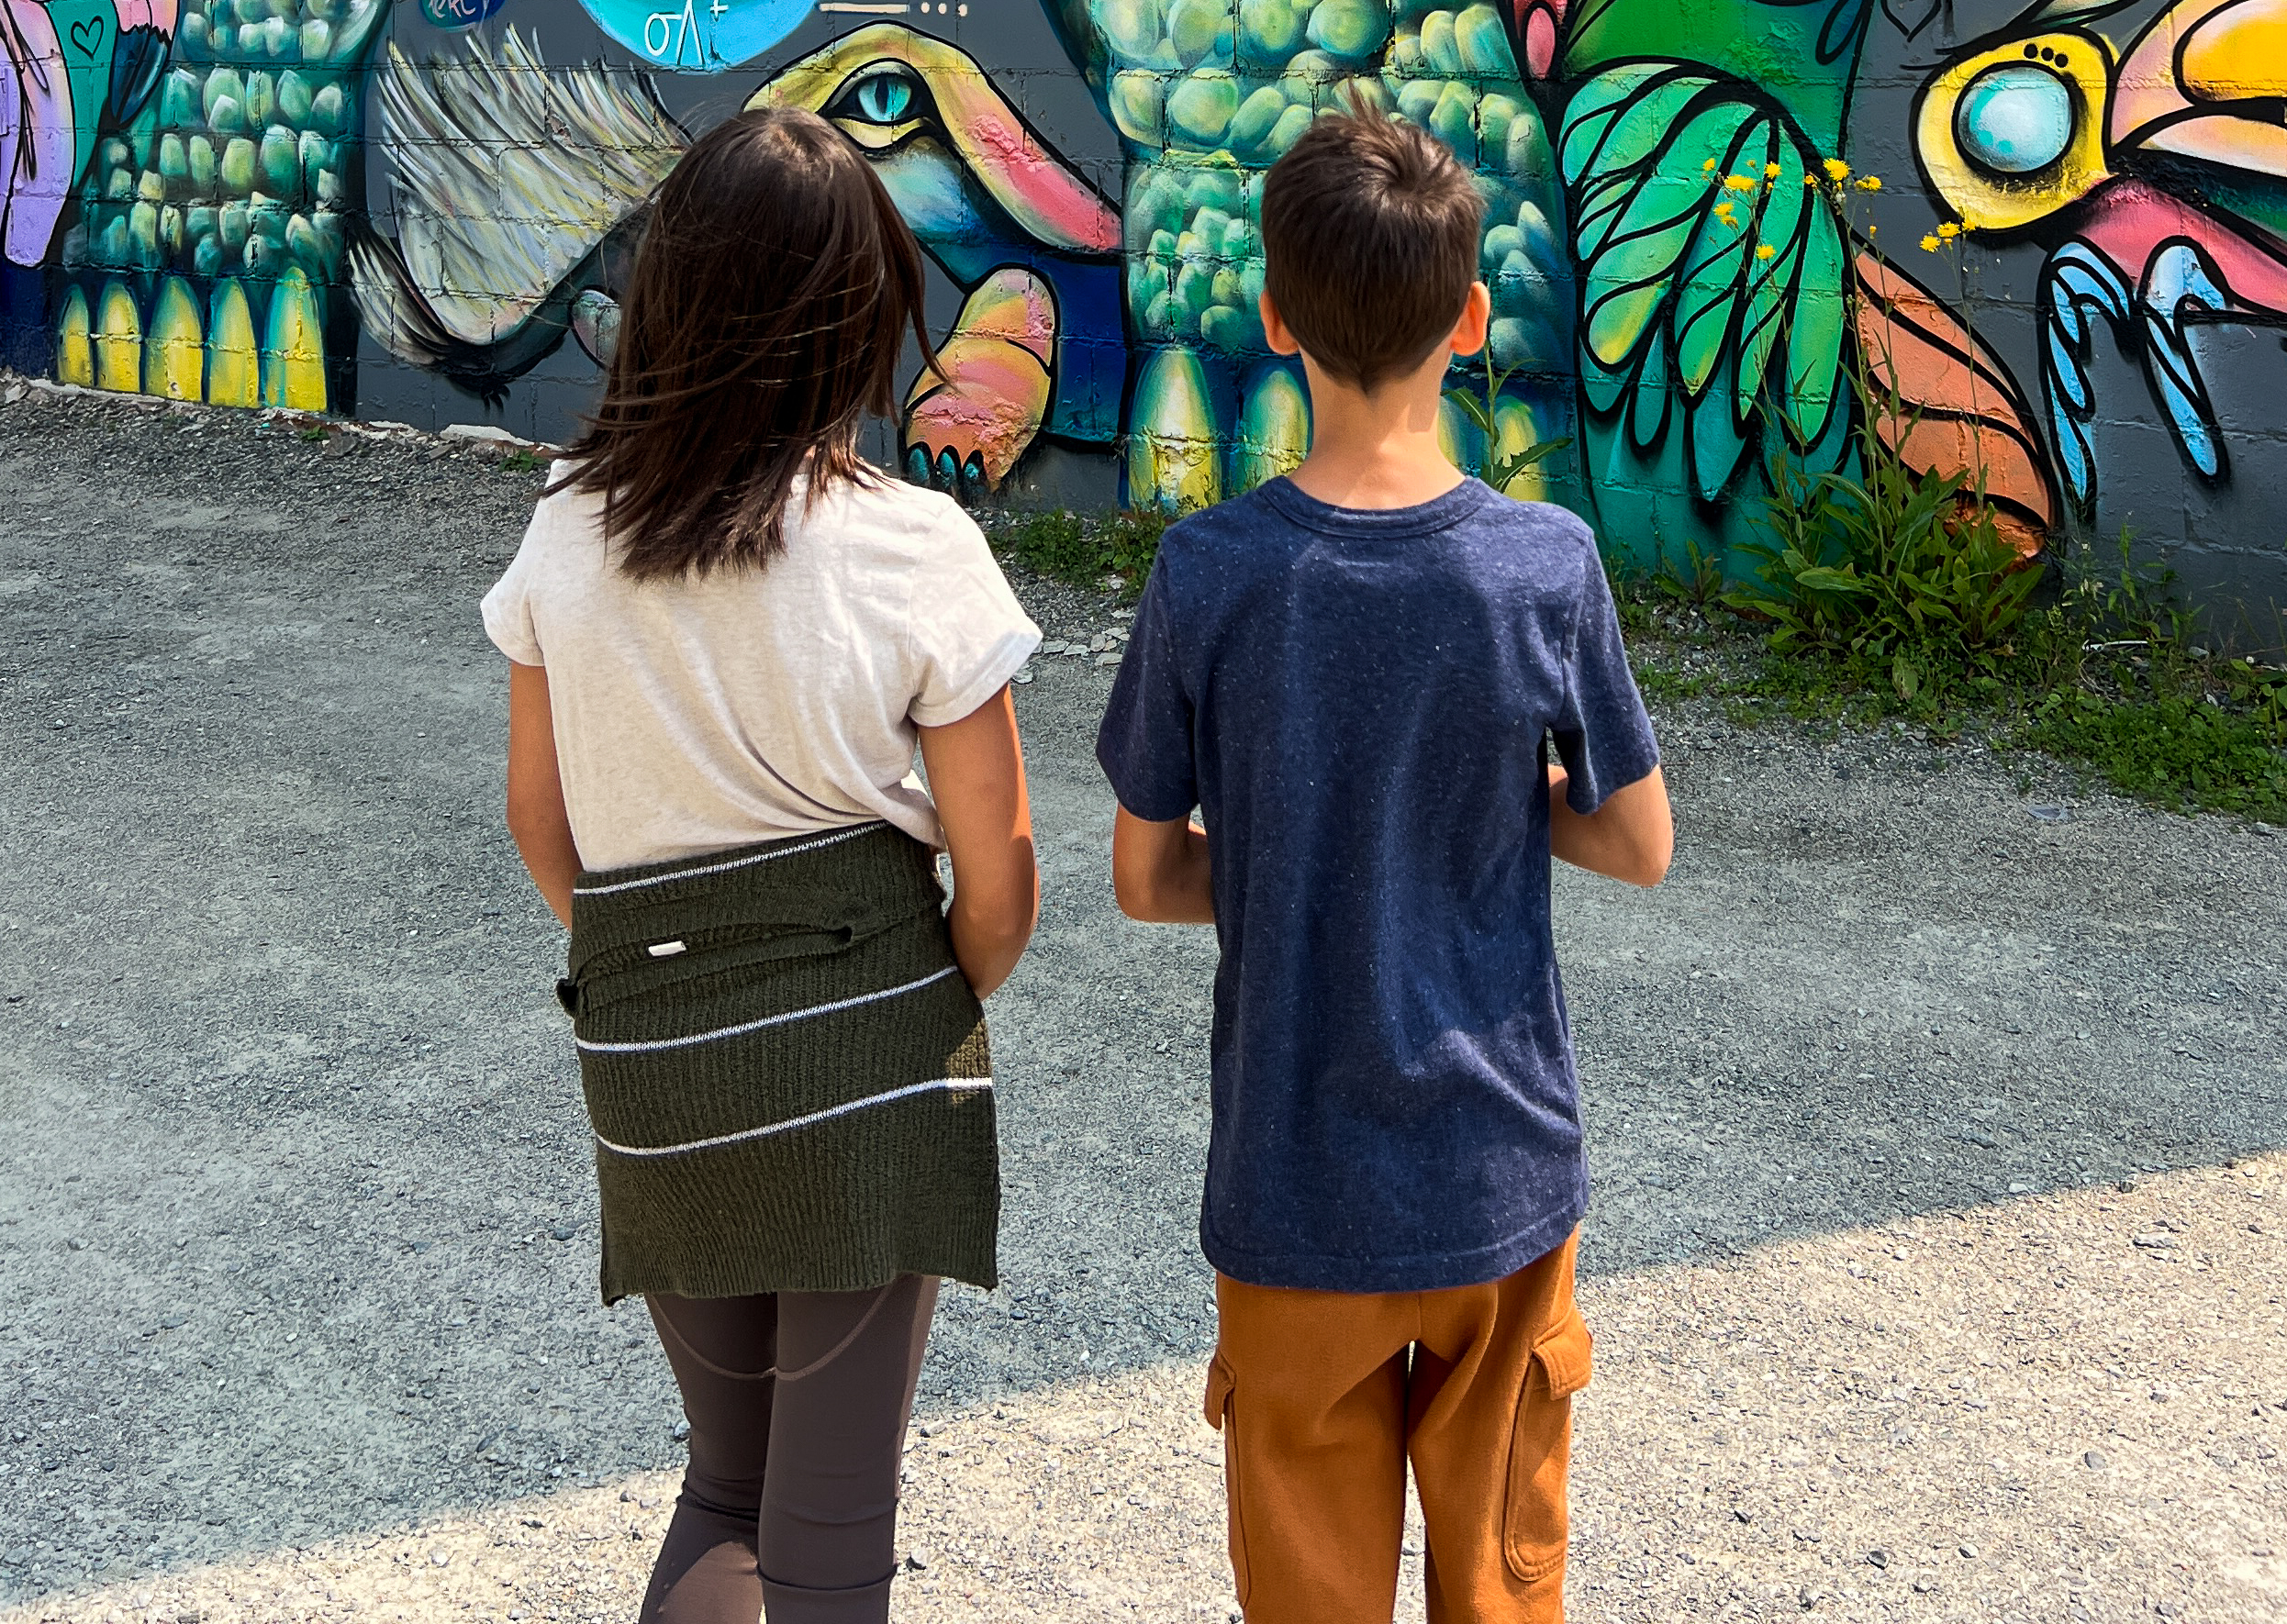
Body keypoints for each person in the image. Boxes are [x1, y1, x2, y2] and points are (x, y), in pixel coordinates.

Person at [1099, 104, 1672, 1623]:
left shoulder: (1206, 572)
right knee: (1501, 1591)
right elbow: (1639, 841)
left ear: (1275, 317)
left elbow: (1147, 877)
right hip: (1499, 1173)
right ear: (1472, 321)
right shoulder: (1542, 565)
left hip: (1293, 1194)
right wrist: (1490, 806)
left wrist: (1294, 847)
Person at [484, 106, 1042, 1624]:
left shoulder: (570, 525)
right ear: (860, 319)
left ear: (670, 294)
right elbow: (999, 875)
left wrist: (665, 964)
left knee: (724, 1490)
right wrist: (923, 998)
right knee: (833, 1533)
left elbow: (545, 821)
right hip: (866, 1058)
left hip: (656, 1059)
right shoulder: (915, 546)